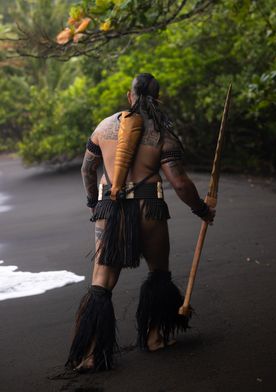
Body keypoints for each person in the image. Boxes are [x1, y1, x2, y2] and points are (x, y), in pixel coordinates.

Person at [65, 73, 215, 372]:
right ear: (157, 98)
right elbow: (180, 183)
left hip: (110, 210)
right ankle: (155, 338)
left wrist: (93, 203)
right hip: (150, 210)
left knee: (101, 285)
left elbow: (87, 169)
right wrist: (201, 209)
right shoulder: (162, 133)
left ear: (129, 95)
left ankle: (92, 353)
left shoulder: (105, 127)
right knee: (159, 273)